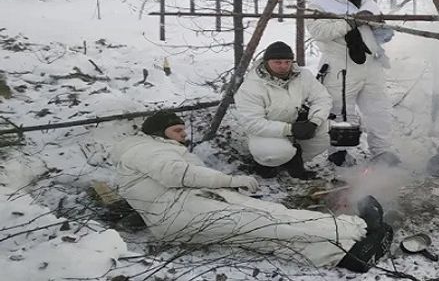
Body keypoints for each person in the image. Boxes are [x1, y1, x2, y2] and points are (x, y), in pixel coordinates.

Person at [112, 110, 393, 272]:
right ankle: (358, 228)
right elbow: (177, 174)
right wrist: (231, 181)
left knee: (265, 232)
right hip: (180, 210)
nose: (183, 136)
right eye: (176, 131)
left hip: (185, 208)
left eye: (183, 131)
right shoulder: (145, 148)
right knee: (270, 222)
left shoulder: (155, 149)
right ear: (157, 132)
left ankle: (346, 257)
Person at [306, 0, 399, 166]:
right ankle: (339, 153)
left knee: (378, 109)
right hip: (340, 64)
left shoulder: (368, 1)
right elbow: (319, 30)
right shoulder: (322, 3)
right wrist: (350, 23)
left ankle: (381, 152)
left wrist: (382, 30)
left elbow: (377, 28)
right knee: (341, 111)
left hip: (371, 63)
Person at [233, 41, 331, 180]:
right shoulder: (251, 86)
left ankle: (294, 161)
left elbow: (322, 98)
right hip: (265, 132)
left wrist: (314, 122)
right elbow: (252, 123)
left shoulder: (303, 76)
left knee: (328, 131)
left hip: (295, 123)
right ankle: (267, 164)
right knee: (274, 154)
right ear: (266, 62)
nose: (283, 66)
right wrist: (290, 129)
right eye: (277, 62)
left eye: (287, 61)